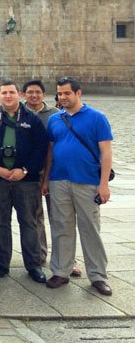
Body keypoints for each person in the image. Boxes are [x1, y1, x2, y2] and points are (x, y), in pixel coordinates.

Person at [42, 77, 114, 296]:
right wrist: (46, 180)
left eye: (67, 93)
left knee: (90, 227)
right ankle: (61, 271)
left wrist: (103, 184)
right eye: (60, 94)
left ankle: (98, 275)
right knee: (61, 225)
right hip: (59, 180)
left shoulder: (97, 118)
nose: (63, 98)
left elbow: (106, 152)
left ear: (78, 93)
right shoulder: (55, 119)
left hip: (87, 180)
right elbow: (50, 152)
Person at [0, 81, 47, 283]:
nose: (7, 96)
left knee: (29, 223)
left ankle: (34, 265)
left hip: (26, 180)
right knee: (0, 222)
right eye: (3, 93)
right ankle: (2, 263)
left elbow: (41, 148)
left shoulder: (32, 119)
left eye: (11, 92)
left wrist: (25, 170)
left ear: (19, 94)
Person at [22, 79, 60, 270]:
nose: (34, 95)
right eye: (30, 92)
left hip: (54, 172)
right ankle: (40, 256)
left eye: (37, 92)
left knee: (59, 217)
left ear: (43, 94)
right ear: (24, 94)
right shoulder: (19, 113)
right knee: (36, 217)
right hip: (31, 173)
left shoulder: (55, 115)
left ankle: (65, 259)